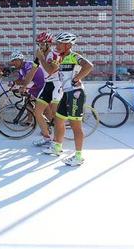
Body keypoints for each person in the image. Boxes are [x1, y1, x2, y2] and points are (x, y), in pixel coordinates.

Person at [42, 33, 93, 166]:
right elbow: (50, 71)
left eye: (60, 43)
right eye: (57, 43)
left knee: (76, 126)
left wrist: (76, 79)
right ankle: (57, 147)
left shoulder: (74, 56)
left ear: (68, 45)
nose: (57, 46)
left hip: (75, 93)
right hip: (66, 94)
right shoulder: (60, 58)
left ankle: (78, 156)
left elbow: (89, 66)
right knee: (59, 120)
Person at [32, 32, 63, 147]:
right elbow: (32, 71)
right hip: (47, 84)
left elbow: (50, 71)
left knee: (55, 115)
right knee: (37, 112)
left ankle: (57, 142)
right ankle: (46, 137)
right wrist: (24, 85)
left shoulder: (54, 55)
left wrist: (41, 58)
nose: (40, 46)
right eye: (38, 44)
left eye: (42, 44)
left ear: (48, 44)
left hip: (56, 85)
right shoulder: (40, 55)